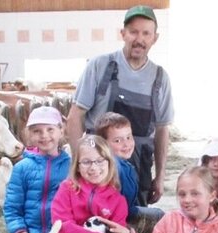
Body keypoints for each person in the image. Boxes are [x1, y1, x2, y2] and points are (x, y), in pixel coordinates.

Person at [66, 5, 174, 207]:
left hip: (138, 168)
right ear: (123, 33)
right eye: (133, 32)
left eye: (146, 33)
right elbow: (75, 116)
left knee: (134, 227)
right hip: (97, 169)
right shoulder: (100, 66)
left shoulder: (160, 77)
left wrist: (160, 176)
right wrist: (78, 164)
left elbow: (162, 129)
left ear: (155, 38)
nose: (139, 39)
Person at [3, 105, 72, 233]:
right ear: (29, 135)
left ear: (61, 130)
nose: (44, 135)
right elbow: (12, 208)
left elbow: (75, 208)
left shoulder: (72, 167)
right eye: (37, 131)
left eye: (50, 129)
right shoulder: (21, 168)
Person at [95, 111, 165, 221]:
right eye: (118, 140)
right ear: (103, 144)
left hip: (126, 210)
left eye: (128, 137)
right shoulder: (113, 168)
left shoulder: (124, 164)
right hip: (120, 217)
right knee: (160, 215)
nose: (126, 144)